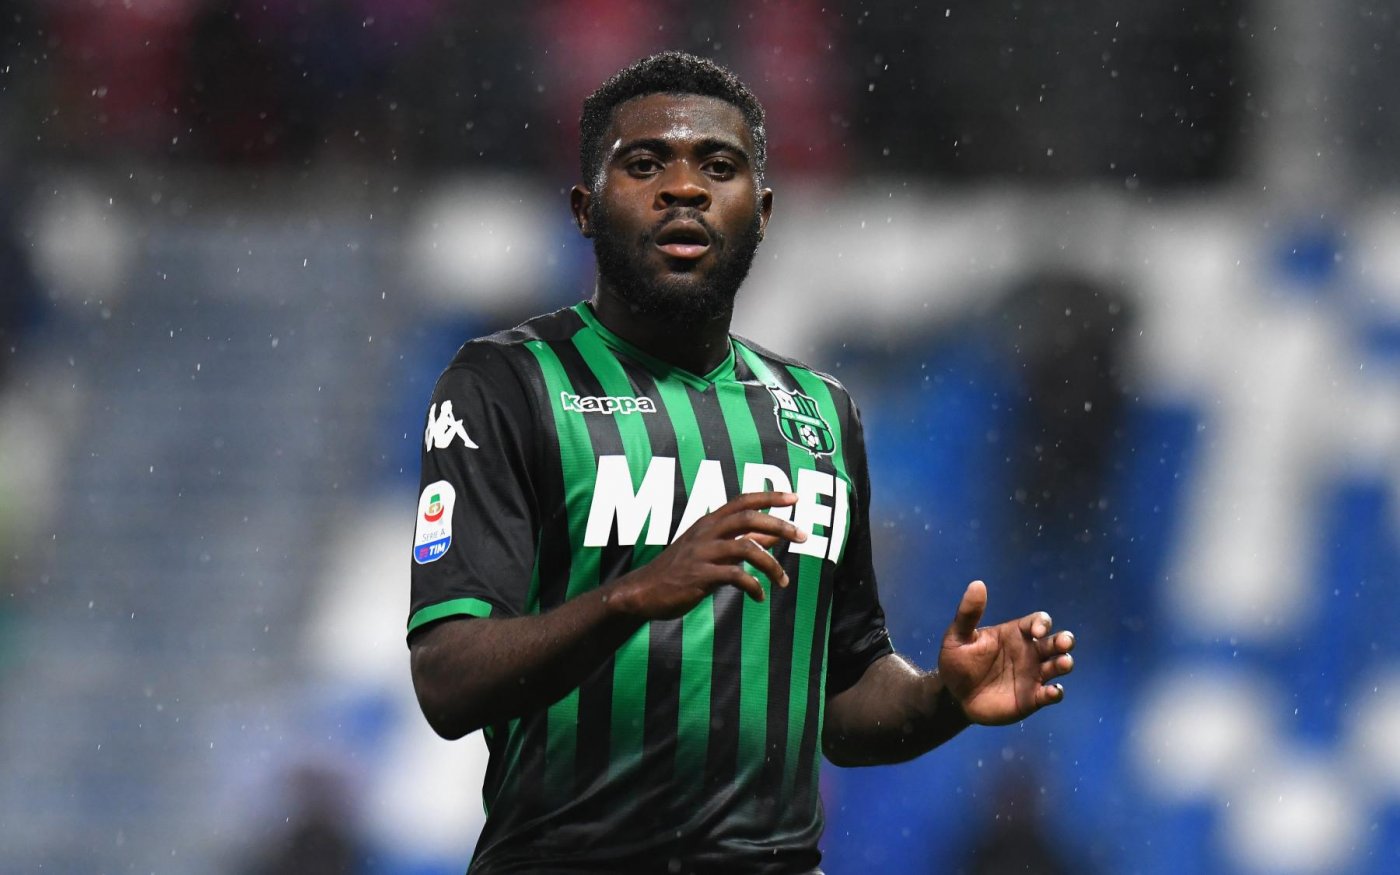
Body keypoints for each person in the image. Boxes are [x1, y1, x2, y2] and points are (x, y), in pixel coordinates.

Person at [406, 51, 1077, 875]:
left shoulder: (821, 414)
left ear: (761, 213)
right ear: (584, 207)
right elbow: (448, 679)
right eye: (644, 164)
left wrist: (944, 697)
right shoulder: (507, 385)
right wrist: (629, 596)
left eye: (718, 167)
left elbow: (842, 699)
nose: (684, 188)